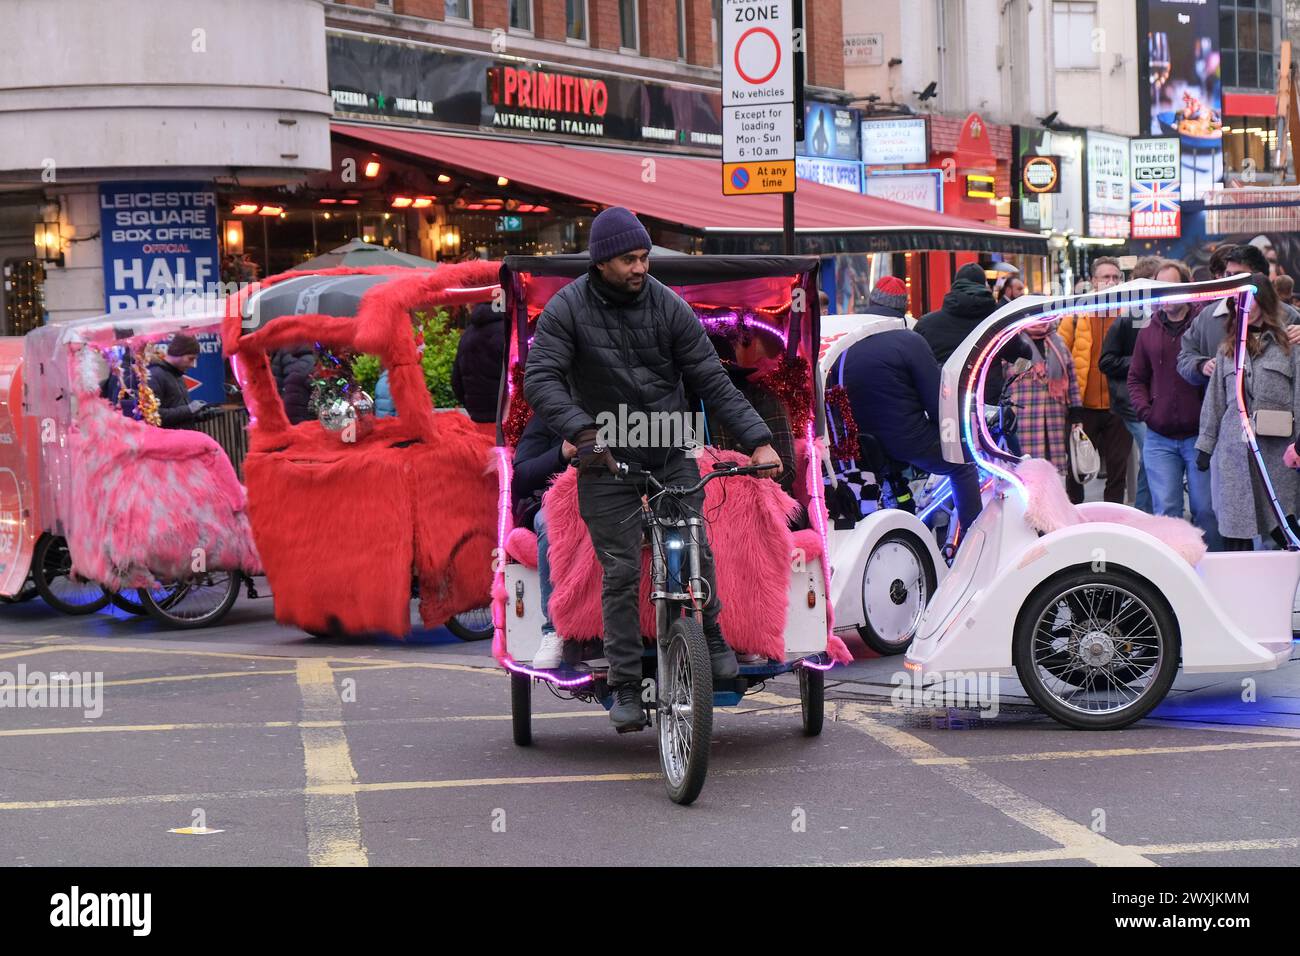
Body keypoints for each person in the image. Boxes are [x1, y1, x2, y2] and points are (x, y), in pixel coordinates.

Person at [523, 206, 782, 732]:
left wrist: (759, 442)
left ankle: (710, 637)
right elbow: (541, 379)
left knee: (694, 544)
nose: (641, 267)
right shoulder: (566, 310)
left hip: (668, 451)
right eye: (629, 260)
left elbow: (711, 378)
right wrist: (583, 432)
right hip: (606, 457)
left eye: (644, 257)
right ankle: (623, 687)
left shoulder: (668, 305)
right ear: (600, 262)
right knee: (619, 572)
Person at [838, 326, 983, 532]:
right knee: (962, 464)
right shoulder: (909, 341)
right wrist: (955, 433)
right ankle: (974, 539)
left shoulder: (847, 348)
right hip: (908, 440)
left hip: (862, 445)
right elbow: (938, 404)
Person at [1195, 273, 1300, 551]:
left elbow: (1299, 397)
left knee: (1285, 530)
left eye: (1249, 298)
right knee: (1235, 530)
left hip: (1277, 455)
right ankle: (1234, 593)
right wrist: (1205, 445)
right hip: (1234, 456)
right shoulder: (1227, 350)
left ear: (1263, 300)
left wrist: (1298, 447)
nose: (1243, 304)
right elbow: (1216, 400)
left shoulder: (1291, 346)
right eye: (1238, 299)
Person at [1127, 260, 1218, 547]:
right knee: (1166, 513)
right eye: (1160, 289)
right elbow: (1136, 377)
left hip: (1200, 436)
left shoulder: (1204, 326)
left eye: (1171, 288)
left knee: (1207, 510)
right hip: (1160, 435)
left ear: (1187, 288)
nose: (1165, 296)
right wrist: (1146, 412)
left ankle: (1214, 569)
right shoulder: (1148, 331)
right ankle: (1173, 576)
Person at [1057, 257, 1132, 503]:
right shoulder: (1076, 315)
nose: (1111, 282)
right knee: (1077, 470)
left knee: (1117, 469)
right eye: (1105, 277)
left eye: (1115, 277)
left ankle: (1113, 521)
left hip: (1119, 406)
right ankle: (1072, 520)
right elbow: (1059, 354)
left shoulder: (1130, 313)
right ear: (1093, 281)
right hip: (1082, 407)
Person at [1178, 243, 1300, 388]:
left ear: (1260, 278)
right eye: (1228, 275)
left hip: (1275, 406)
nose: (1230, 281)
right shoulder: (1207, 317)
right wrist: (1201, 366)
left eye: (1238, 276)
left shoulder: (1287, 316)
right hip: (1225, 406)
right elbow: (1184, 357)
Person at [1097, 255, 1164, 513]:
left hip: (1156, 402)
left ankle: (1145, 513)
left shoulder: (1166, 314)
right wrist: (1140, 361)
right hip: (1133, 402)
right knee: (1154, 457)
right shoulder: (1128, 317)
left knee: (1152, 459)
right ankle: (1146, 513)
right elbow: (1106, 361)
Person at [511, 414, 577, 669]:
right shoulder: (548, 416)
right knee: (551, 525)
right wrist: (560, 453)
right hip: (555, 501)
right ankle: (553, 629)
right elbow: (522, 475)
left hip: (617, 497)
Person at [915, 262, 1029, 405]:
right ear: (983, 285)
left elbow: (915, 366)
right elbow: (1023, 355)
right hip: (985, 404)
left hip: (943, 404)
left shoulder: (926, 324)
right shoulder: (997, 323)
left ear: (955, 284)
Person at [1005, 317, 1081, 476]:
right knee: (1028, 469)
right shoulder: (1015, 343)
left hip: (1055, 416)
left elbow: (1072, 377)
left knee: (1054, 469)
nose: (1039, 321)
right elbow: (1009, 374)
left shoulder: (1058, 342)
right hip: (1025, 416)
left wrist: (1076, 413)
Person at [451, 302, 505, 424]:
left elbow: (456, 381)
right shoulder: (508, 331)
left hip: (476, 413)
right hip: (505, 412)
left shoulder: (466, 335)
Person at [147, 333, 210, 429]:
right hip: (168, 441)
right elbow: (153, 415)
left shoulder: (177, 374)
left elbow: (178, 410)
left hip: (182, 438)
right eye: (191, 359)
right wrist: (189, 410)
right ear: (178, 352)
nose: (193, 365)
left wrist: (199, 416)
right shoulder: (155, 375)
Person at [270, 346, 317, 424]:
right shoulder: (327, 352)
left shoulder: (282, 351)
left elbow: (274, 388)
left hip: (289, 417)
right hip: (312, 421)